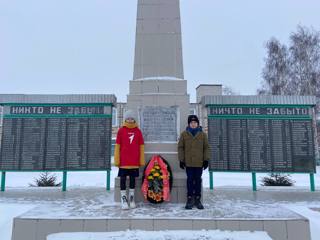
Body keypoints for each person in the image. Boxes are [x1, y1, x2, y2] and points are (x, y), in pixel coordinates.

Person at [114, 110, 145, 210]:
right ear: (125, 119)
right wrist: (117, 160)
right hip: (123, 162)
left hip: (134, 162)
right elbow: (117, 146)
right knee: (123, 180)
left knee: (132, 180)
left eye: (132, 118)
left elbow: (141, 147)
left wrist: (141, 160)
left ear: (134, 119)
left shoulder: (138, 131)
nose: (130, 120)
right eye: (128, 118)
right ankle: (124, 199)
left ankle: (131, 198)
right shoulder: (121, 131)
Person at [178, 115, 210, 210]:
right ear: (189, 124)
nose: (193, 124)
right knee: (190, 180)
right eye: (191, 123)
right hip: (188, 162)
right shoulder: (184, 134)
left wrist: (206, 160)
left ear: (198, 124)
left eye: (195, 122)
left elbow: (206, 147)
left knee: (198, 180)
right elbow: (180, 147)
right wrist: (181, 159)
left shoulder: (203, 135)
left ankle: (197, 199)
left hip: (199, 162)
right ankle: (190, 199)